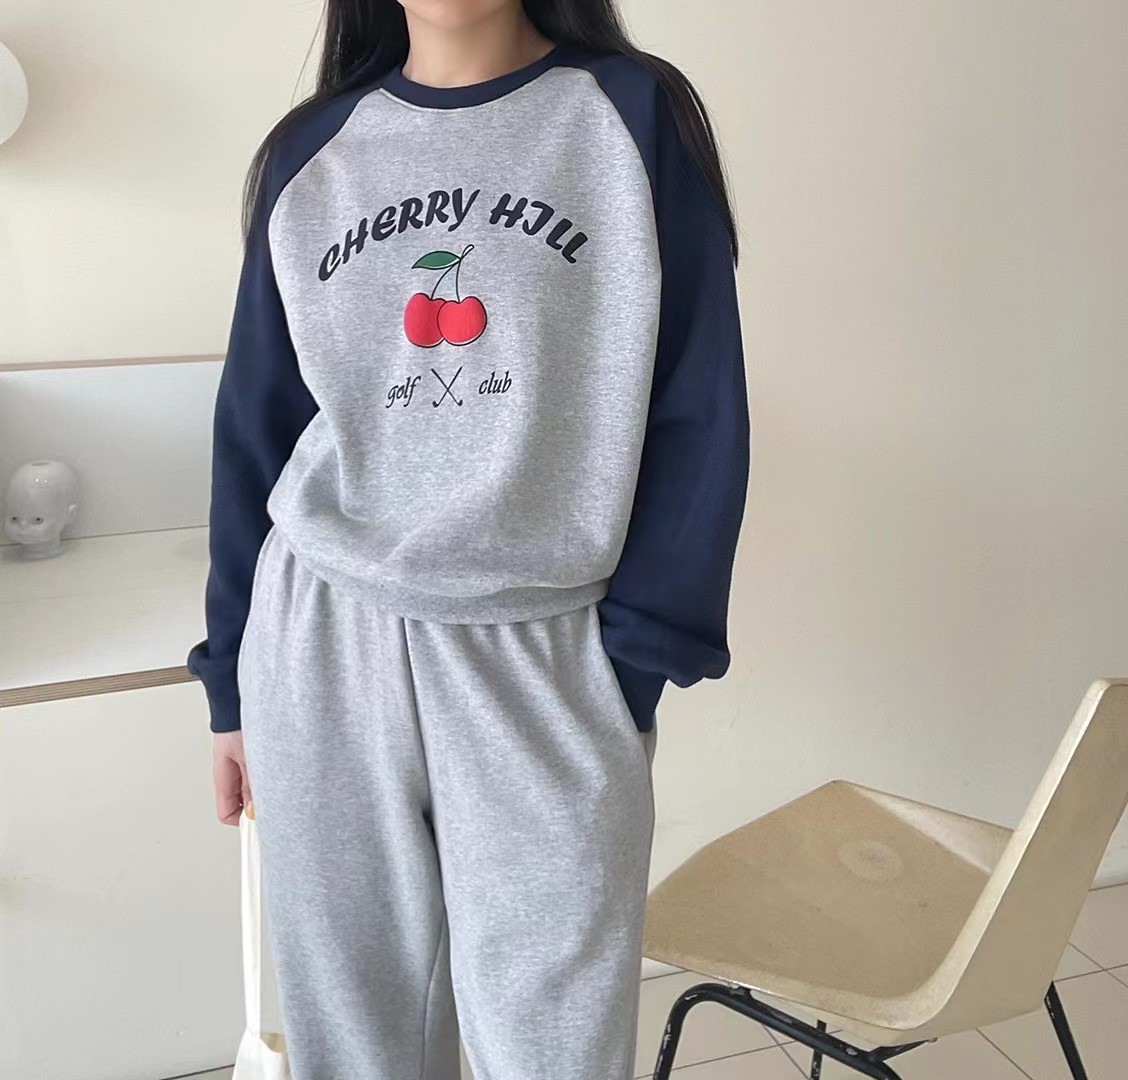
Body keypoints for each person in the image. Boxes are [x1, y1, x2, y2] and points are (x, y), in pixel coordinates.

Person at [186, 1, 749, 1076]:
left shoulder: (630, 116)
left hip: (542, 649)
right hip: (320, 641)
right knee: (355, 1040)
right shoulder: (311, 151)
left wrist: (635, 662)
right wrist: (232, 684)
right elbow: (258, 424)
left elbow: (698, 404)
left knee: (552, 1047)